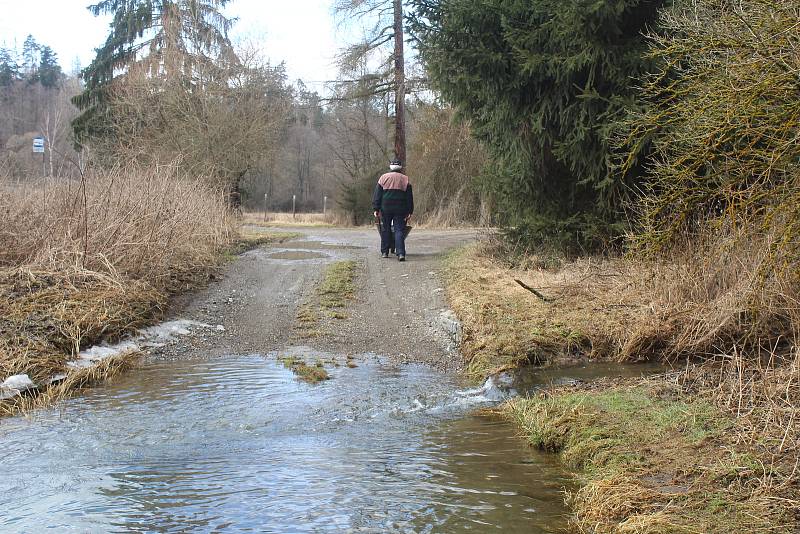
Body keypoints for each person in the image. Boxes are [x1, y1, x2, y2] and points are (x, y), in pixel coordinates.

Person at [373, 158, 413, 261]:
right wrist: (409, 211)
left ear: (391, 167)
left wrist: (376, 208)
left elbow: (377, 195)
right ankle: (400, 254)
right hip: (400, 208)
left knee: (385, 229)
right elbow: (409, 197)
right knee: (399, 230)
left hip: (385, 207)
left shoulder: (383, 178)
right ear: (400, 167)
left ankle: (385, 252)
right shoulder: (405, 179)